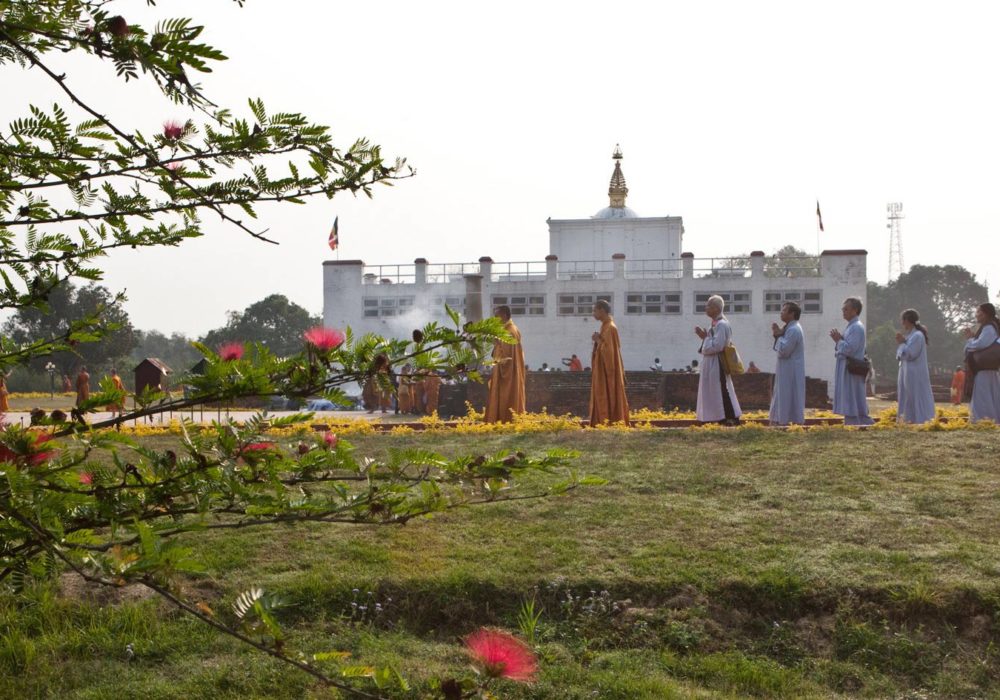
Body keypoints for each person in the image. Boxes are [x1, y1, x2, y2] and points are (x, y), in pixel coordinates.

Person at [694, 295, 742, 425]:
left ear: (716, 308)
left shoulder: (722, 325)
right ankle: (717, 416)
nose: (706, 308)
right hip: (710, 362)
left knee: (721, 389)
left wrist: (705, 338)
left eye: (709, 305)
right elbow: (710, 344)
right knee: (713, 390)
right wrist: (704, 338)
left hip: (718, 361)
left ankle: (730, 417)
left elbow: (718, 346)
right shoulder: (713, 325)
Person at [830, 297, 874, 426]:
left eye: (846, 309)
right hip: (848, 368)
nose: (843, 311)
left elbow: (849, 350)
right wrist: (840, 341)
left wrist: (838, 340)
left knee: (852, 396)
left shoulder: (856, 328)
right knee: (852, 396)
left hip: (851, 369)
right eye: (843, 309)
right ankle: (856, 421)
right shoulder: (851, 327)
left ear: (855, 311)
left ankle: (857, 421)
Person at [588, 299, 629, 426]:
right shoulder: (605, 326)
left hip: (608, 373)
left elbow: (609, 353)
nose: (593, 314)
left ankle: (609, 422)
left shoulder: (610, 328)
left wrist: (598, 340)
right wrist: (598, 340)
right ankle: (601, 422)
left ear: (602, 310)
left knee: (608, 395)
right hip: (602, 371)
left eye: (595, 310)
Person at [485, 305, 526, 423]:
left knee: (506, 397)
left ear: (503, 315)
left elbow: (507, 357)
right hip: (507, 371)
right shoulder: (509, 329)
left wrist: (497, 343)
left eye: (496, 316)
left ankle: (504, 419)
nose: (494, 319)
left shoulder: (509, 331)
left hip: (507, 373)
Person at [895, 309, 936, 424]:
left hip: (915, 373)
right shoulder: (910, 336)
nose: (902, 323)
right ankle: (907, 419)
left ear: (908, 320)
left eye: (903, 320)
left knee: (916, 396)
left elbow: (910, 353)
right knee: (907, 396)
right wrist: (903, 342)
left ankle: (920, 418)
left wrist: (903, 343)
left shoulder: (917, 335)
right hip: (906, 371)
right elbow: (899, 355)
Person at [769, 301, 805, 425]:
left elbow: (784, 351)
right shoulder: (788, 328)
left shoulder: (794, 330)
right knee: (782, 395)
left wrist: (778, 336)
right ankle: (780, 421)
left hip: (791, 371)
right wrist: (778, 334)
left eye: (784, 310)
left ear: (792, 314)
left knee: (788, 396)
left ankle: (786, 422)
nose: (781, 312)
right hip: (786, 370)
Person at [963, 302, 1000, 422]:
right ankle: (989, 419)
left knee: (983, 395)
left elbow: (980, 344)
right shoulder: (989, 326)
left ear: (986, 314)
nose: (976, 314)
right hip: (987, 369)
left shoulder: (989, 327)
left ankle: (983, 419)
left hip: (985, 369)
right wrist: (972, 338)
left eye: (978, 312)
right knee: (989, 395)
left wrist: (969, 340)